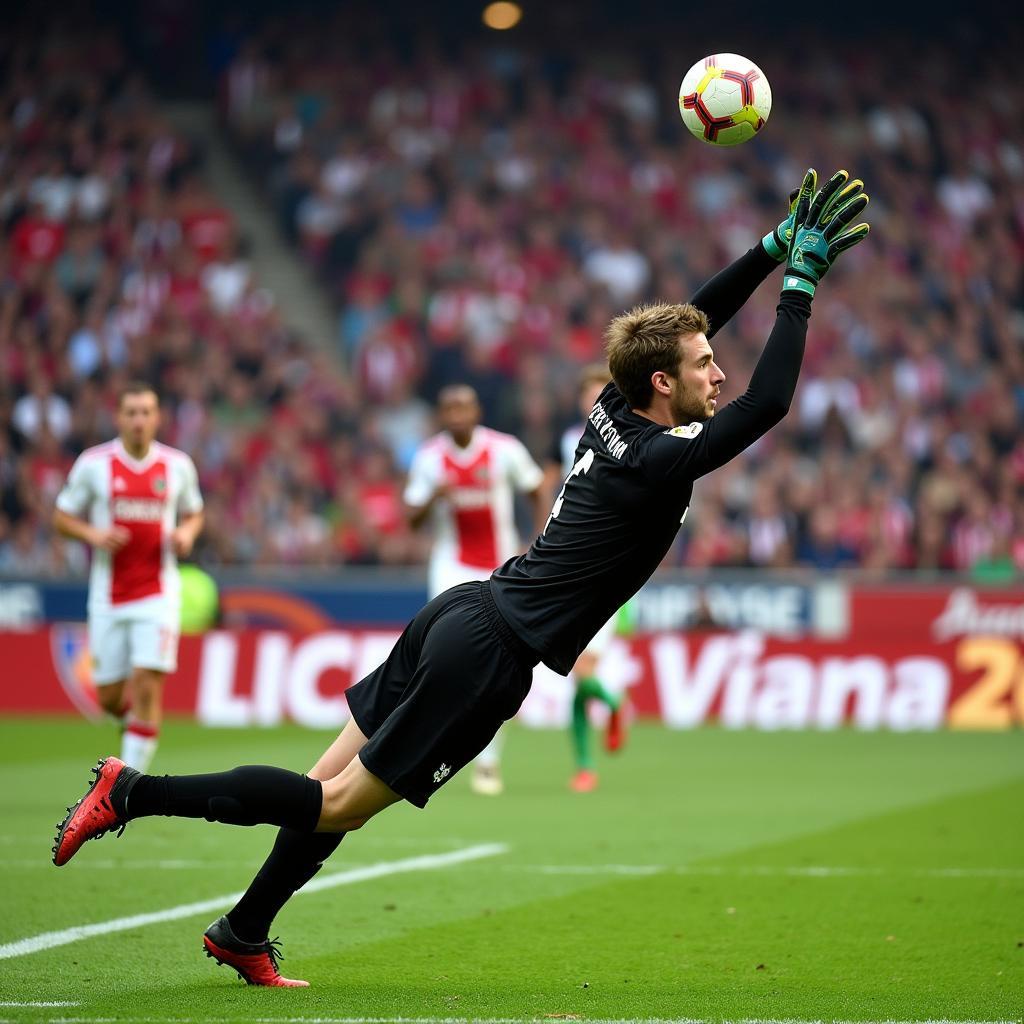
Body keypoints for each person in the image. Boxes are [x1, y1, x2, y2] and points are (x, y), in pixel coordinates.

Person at [51, 168, 868, 988]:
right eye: (704, 366)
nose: (718, 375)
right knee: (333, 806)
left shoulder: (613, 411)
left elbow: (687, 323)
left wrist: (767, 247)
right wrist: (797, 286)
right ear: (664, 382)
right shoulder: (657, 459)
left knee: (320, 786)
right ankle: (132, 792)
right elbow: (765, 406)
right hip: (489, 655)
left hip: (464, 607)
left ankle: (245, 928)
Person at [52, 382, 204, 771]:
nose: (138, 420)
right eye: (131, 412)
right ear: (118, 417)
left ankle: (128, 787)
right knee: (108, 698)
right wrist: (93, 535)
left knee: (147, 684)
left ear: (157, 418)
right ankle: (133, 731)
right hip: (109, 596)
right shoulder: (93, 464)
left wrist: (186, 533)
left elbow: (194, 512)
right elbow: (61, 516)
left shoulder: (177, 466)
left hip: (158, 594)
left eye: (146, 412)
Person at [404, 384, 547, 795]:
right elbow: (411, 519)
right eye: (449, 407)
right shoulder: (430, 458)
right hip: (450, 567)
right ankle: (429, 749)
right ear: (441, 414)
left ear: (477, 409)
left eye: (463, 406)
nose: (456, 414)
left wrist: (535, 541)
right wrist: (434, 496)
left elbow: (538, 490)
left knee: (498, 663)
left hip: (499, 568)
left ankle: (488, 761)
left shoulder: (504, 449)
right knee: (440, 656)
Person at [545, 364, 629, 792]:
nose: (592, 401)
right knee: (574, 674)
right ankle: (585, 762)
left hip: (609, 568)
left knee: (581, 669)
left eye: (599, 393)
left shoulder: (633, 437)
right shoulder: (569, 440)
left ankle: (613, 708)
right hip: (571, 564)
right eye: (587, 394)